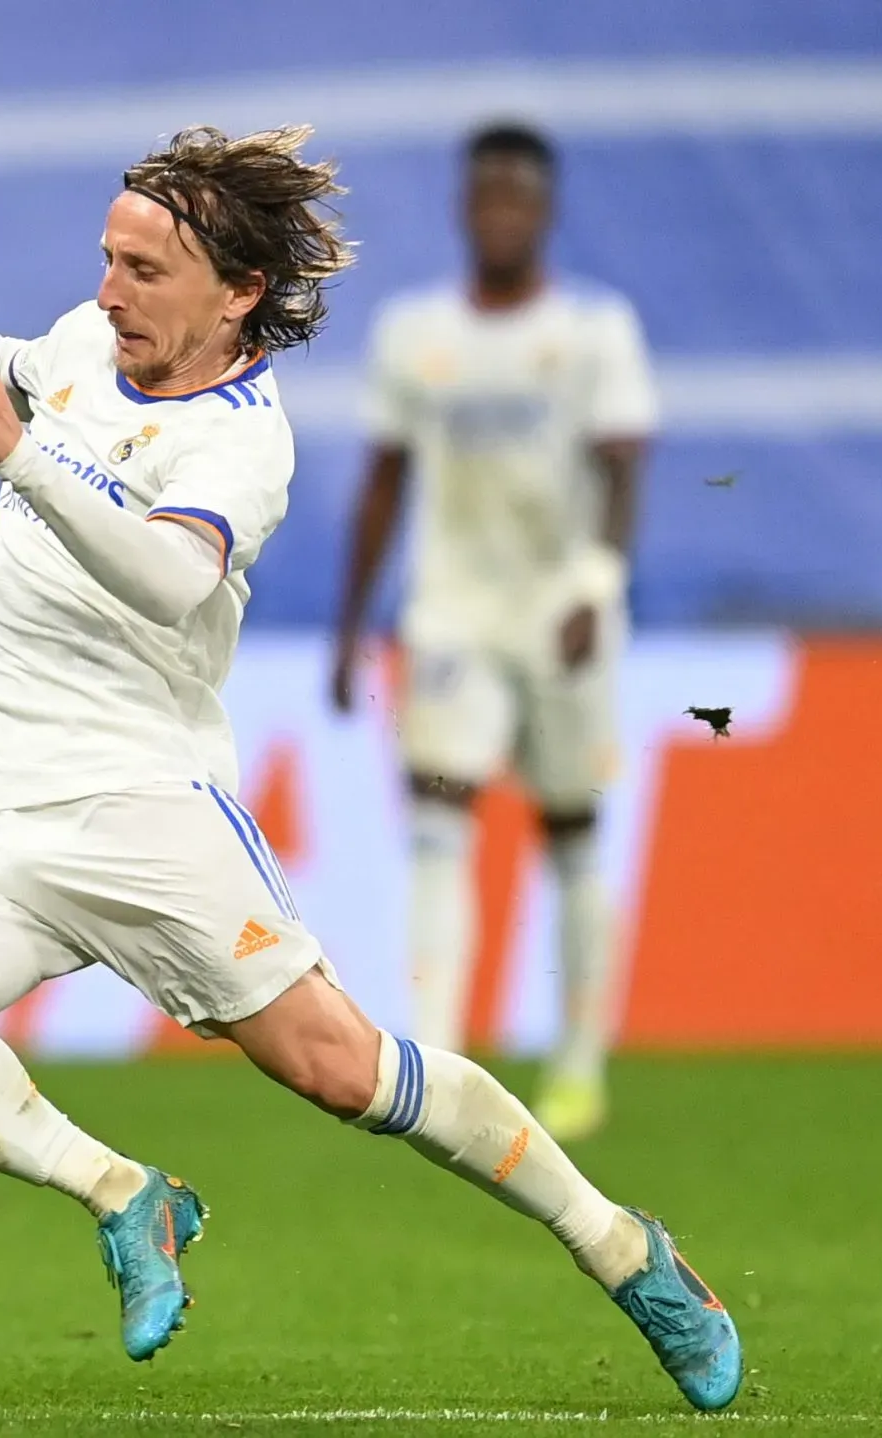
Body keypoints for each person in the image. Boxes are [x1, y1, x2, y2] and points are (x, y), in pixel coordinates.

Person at [0, 123, 739, 1411]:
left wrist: (21, 459)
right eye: (106, 257)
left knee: (345, 1072)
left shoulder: (243, 442)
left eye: (144, 270)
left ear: (237, 293)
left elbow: (166, 578)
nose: (107, 291)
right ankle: (124, 1193)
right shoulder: (92, 344)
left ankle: (619, 1245)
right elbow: (15, 367)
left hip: (149, 813)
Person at [328, 122, 656, 1142]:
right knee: (437, 822)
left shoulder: (595, 330)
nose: (500, 211)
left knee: (571, 829)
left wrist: (594, 588)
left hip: (560, 614)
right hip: (450, 614)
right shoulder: (414, 331)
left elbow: (623, 463)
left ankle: (576, 1065)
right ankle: (438, 1056)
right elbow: (383, 480)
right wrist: (350, 625)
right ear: (465, 208)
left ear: (543, 209)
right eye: (485, 195)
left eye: (518, 194)